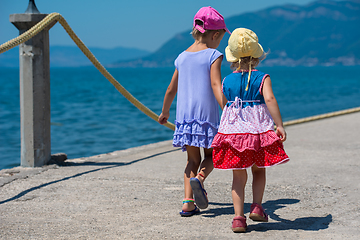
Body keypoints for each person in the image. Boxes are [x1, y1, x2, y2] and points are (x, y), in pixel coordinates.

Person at [210, 28, 290, 232]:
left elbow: (225, 103)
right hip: (257, 131)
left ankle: (238, 218)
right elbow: (270, 99)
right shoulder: (263, 77)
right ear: (257, 56)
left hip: (234, 133)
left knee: (238, 176)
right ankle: (256, 207)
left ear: (233, 57)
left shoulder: (227, 80)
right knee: (259, 169)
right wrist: (279, 124)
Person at [158, 6, 231, 217]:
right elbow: (217, 86)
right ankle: (199, 179)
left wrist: (164, 112)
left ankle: (188, 203)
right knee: (214, 154)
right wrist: (227, 109)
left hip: (185, 118)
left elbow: (171, 89)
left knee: (191, 160)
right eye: (221, 38)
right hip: (206, 117)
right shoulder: (213, 55)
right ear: (215, 34)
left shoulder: (181, 57)